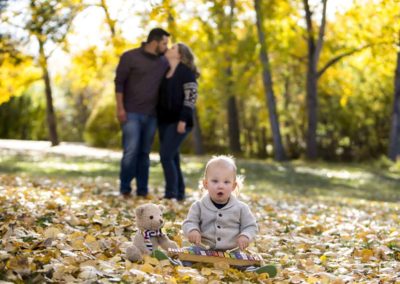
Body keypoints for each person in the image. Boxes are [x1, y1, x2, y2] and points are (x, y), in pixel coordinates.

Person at [180, 155, 277, 275]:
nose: (220, 185)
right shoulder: (198, 206)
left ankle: (254, 271)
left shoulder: (241, 208)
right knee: (187, 254)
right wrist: (192, 230)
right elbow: (189, 222)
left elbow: (251, 226)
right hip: (203, 248)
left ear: (233, 186)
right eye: (215, 181)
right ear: (206, 184)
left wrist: (245, 236)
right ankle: (179, 264)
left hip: (231, 251)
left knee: (242, 262)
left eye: (226, 182)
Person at [114, 28, 170, 198]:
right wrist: (120, 108)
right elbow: (119, 84)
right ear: (154, 42)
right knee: (131, 151)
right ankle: (125, 189)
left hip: (152, 115)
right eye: (164, 43)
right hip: (131, 112)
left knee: (144, 153)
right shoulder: (129, 56)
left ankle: (142, 190)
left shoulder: (163, 62)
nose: (166, 47)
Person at [157, 43, 199, 201]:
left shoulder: (186, 73)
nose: (169, 49)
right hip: (164, 122)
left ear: (180, 55)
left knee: (165, 156)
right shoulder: (166, 72)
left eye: (173, 48)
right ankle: (180, 193)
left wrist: (183, 119)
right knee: (173, 157)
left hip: (180, 121)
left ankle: (170, 194)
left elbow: (191, 98)